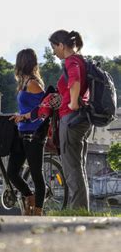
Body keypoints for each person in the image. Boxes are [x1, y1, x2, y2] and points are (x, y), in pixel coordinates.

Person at [49, 29, 91, 211]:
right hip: (81, 119)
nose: (53, 52)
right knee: (78, 166)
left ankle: (77, 210)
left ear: (61, 45)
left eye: (53, 47)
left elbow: (74, 79)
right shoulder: (81, 60)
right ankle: (82, 209)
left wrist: (73, 102)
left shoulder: (71, 60)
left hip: (71, 118)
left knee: (72, 167)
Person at [8, 48, 47, 216]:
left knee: (37, 173)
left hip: (34, 133)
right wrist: (19, 116)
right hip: (21, 131)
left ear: (22, 63)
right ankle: (29, 197)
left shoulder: (33, 83)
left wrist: (23, 116)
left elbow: (44, 110)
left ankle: (37, 211)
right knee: (12, 172)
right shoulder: (23, 82)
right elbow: (27, 106)